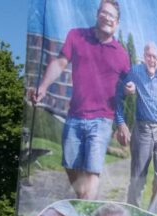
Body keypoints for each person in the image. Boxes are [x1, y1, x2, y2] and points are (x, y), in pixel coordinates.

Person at [28, 0, 130, 200]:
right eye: (104, 13)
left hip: (102, 120)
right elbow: (60, 63)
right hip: (74, 115)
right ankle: (86, 205)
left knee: (92, 173)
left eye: (112, 16)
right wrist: (43, 86)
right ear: (97, 14)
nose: (107, 18)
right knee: (71, 167)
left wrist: (122, 117)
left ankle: (85, 210)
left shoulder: (122, 55)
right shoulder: (76, 36)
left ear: (117, 23)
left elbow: (125, 90)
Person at [116, 42, 157, 214]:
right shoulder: (135, 72)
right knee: (138, 179)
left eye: (155, 57)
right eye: (149, 56)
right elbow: (119, 92)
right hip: (143, 131)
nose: (152, 60)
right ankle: (132, 215)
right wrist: (121, 120)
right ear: (144, 57)